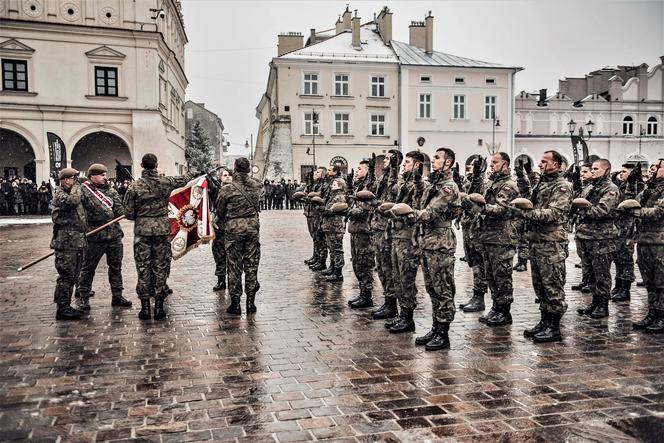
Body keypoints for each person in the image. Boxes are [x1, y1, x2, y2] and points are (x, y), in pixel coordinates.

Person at [511, 150, 573, 342]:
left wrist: (526, 214)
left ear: (556, 164)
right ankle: (545, 321)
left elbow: (554, 213)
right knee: (540, 285)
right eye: (540, 161)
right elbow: (529, 197)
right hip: (537, 241)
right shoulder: (543, 183)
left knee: (552, 285)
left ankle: (554, 327)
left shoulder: (562, 186)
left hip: (551, 242)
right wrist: (522, 176)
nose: (540, 164)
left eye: (544, 161)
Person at [123, 153, 193, 320]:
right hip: (162, 231)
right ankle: (159, 307)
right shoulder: (165, 182)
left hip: (142, 232)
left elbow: (128, 213)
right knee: (160, 267)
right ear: (156, 165)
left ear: (141, 165)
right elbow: (184, 180)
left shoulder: (134, 187)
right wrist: (194, 172)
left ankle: (145, 308)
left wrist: (143, 214)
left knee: (143, 267)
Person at [404, 147, 460, 350]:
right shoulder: (433, 184)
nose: (433, 160)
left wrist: (406, 214)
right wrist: (417, 180)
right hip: (427, 241)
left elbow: (431, 211)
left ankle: (443, 333)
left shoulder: (449, 187)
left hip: (440, 243)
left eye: (437, 158)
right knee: (432, 288)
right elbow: (419, 198)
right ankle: (436, 328)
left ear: (448, 162)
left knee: (443, 288)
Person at [472, 152, 520, 326]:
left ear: (505, 164)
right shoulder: (492, 182)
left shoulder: (508, 185)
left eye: (495, 162)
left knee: (502, 276)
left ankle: (504, 311)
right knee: (491, 275)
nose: (491, 165)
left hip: (502, 237)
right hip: (488, 236)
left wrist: (479, 207)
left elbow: (501, 210)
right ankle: (496, 307)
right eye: (491, 162)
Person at [77, 164, 132, 310]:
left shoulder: (111, 191)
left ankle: (117, 296)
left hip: (113, 235)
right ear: (92, 176)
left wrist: (128, 211)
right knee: (88, 268)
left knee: (115, 267)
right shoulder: (83, 191)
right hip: (94, 235)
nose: (104, 177)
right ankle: (84, 296)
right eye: (101, 175)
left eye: (105, 174)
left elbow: (119, 209)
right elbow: (80, 213)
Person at [384, 151, 425, 334]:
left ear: (416, 165)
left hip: (408, 237)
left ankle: (408, 317)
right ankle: (401, 314)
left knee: (407, 278)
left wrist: (416, 179)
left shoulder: (420, 185)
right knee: (397, 277)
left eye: (407, 162)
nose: (403, 165)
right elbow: (392, 191)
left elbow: (418, 203)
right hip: (397, 234)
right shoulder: (404, 183)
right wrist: (392, 170)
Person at [574, 159, 620, 319]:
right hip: (586, 236)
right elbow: (577, 202)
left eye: (596, 169)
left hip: (602, 237)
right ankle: (594, 302)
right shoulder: (590, 187)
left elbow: (602, 211)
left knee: (601, 273)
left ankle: (602, 305)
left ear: (606, 170)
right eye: (591, 169)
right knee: (590, 272)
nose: (592, 171)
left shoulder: (611, 189)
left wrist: (582, 211)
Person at [215, 157, 262, 315]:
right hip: (252, 229)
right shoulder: (257, 185)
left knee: (234, 266)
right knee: (252, 265)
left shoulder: (227, 188)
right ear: (249, 169)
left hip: (234, 229)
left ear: (234, 169)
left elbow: (220, 211)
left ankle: (235, 303)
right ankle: (251, 303)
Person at [624, 158, 664, 332]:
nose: (654, 169)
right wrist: (631, 183)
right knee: (650, 281)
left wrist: (634, 211)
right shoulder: (651, 188)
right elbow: (632, 200)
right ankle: (652, 313)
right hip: (644, 240)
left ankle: (662, 316)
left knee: (661, 282)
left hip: (660, 243)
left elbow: (658, 212)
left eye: (659, 167)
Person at [51, 168, 87, 320]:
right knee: (66, 276)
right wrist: (79, 186)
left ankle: (66, 306)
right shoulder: (60, 194)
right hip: (65, 243)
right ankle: (62, 308)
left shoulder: (73, 191)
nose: (76, 182)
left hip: (76, 241)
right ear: (66, 180)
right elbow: (73, 201)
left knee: (73, 276)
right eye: (74, 179)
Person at [369, 150, 401, 320]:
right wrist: (371, 170)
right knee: (381, 267)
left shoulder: (397, 179)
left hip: (388, 228)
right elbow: (371, 190)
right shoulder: (383, 178)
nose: (385, 161)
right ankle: (387, 301)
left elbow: (394, 199)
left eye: (389, 159)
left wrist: (378, 203)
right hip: (378, 226)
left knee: (388, 268)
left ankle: (392, 304)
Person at [611, 163, 645, 301]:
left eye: (624, 172)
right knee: (617, 258)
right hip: (619, 227)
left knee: (625, 259)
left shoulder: (639, 186)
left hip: (629, 228)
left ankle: (625, 288)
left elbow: (629, 202)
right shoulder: (623, 185)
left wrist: (632, 182)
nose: (621, 174)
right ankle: (618, 285)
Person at [346, 158, 376, 308]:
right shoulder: (359, 187)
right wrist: (349, 190)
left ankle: (367, 296)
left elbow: (364, 209)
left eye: (360, 169)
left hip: (365, 232)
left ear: (368, 171)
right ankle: (362, 293)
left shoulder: (369, 188)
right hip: (356, 230)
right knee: (357, 264)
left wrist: (347, 211)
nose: (357, 171)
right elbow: (351, 203)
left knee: (365, 264)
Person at [320, 177, 348, 282]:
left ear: (340, 186)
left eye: (335, 184)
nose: (332, 185)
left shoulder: (340, 196)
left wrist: (325, 211)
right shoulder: (332, 196)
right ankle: (332, 267)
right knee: (331, 248)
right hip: (330, 226)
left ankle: (338, 272)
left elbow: (336, 209)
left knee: (337, 249)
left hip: (336, 227)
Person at [211, 168, 233, 291]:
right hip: (219, 228)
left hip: (232, 228)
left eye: (230, 175)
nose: (228, 177)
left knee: (232, 257)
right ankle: (221, 280)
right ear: (220, 178)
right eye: (225, 175)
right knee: (219, 255)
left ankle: (232, 281)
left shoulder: (237, 190)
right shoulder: (216, 190)